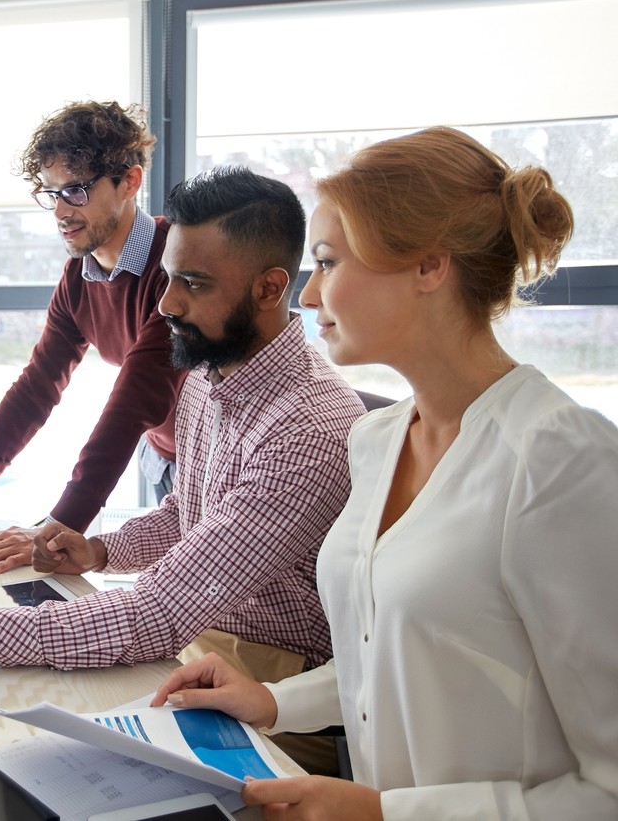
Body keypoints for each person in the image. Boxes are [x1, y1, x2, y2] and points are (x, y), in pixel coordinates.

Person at [150, 127, 618, 820]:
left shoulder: (560, 461)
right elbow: (391, 656)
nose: (307, 299)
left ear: (430, 265)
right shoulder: (376, 439)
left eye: (329, 263)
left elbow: (608, 787)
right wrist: (277, 701)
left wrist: (386, 814)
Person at [0, 166, 365, 687]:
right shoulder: (209, 375)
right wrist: (99, 550)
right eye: (168, 278)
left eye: (194, 284)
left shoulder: (309, 431)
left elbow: (159, 614)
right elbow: (188, 513)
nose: (167, 304)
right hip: (201, 636)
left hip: (275, 674)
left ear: (270, 289)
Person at [0, 101, 185, 575]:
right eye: (52, 193)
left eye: (77, 191)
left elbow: (134, 402)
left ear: (130, 182)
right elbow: (37, 386)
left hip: (218, 454)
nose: (61, 211)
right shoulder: (79, 279)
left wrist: (57, 528)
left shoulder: (176, 267)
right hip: (163, 454)